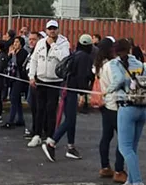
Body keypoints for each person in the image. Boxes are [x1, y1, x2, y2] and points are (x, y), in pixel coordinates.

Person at [105, 39, 146, 185]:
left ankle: (138, 184)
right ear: (130, 49)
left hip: (126, 107)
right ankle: (129, 183)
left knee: (125, 148)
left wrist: (107, 91)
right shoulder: (138, 63)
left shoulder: (114, 64)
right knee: (133, 147)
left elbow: (117, 80)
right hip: (142, 108)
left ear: (115, 51)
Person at [42, 34, 95, 161]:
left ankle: (71, 147)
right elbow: (82, 77)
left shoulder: (76, 54)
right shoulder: (85, 57)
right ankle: (52, 142)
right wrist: (83, 94)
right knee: (70, 120)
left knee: (71, 119)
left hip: (66, 87)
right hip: (72, 90)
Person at [27, 20, 70, 148]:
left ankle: (50, 135)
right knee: (39, 108)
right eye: (50, 28)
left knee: (51, 109)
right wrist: (31, 76)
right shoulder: (40, 43)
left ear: (58, 29)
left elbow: (64, 58)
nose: (52, 31)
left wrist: (53, 46)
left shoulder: (63, 43)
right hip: (40, 80)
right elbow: (34, 59)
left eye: (54, 28)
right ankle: (37, 135)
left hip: (54, 81)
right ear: (46, 30)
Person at [96, 38, 126, 183]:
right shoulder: (112, 65)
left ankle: (105, 166)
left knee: (106, 136)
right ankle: (119, 170)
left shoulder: (98, 65)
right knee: (122, 138)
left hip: (105, 103)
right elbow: (119, 81)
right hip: (116, 103)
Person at [3, 36, 29, 129]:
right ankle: (20, 119)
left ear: (21, 44)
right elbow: (6, 62)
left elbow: (18, 64)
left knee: (13, 99)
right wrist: (10, 54)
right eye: (14, 42)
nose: (15, 44)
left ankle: (11, 120)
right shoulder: (13, 52)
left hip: (19, 79)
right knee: (17, 100)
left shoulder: (23, 53)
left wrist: (13, 55)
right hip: (12, 78)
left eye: (17, 42)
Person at [24, 31, 41, 140]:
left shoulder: (39, 52)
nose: (31, 41)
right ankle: (35, 128)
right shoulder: (31, 52)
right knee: (33, 107)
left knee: (38, 108)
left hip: (37, 83)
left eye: (34, 39)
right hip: (30, 82)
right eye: (30, 39)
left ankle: (38, 130)